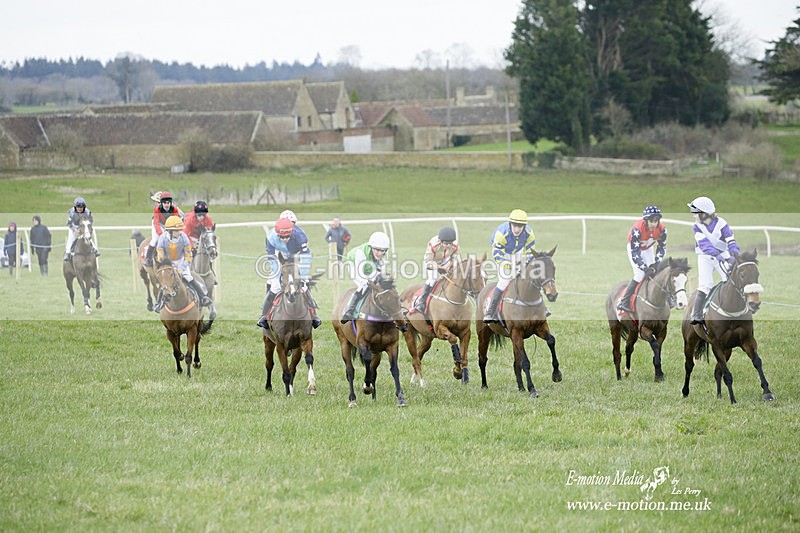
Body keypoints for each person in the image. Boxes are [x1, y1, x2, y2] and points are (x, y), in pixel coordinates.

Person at [256, 217, 321, 330]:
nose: (285, 239)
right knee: (275, 287)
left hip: (296, 258)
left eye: (287, 236)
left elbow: (306, 257)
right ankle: (264, 316)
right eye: (282, 237)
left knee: (304, 286)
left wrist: (303, 276)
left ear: (292, 232)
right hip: (278, 258)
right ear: (277, 234)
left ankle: (314, 316)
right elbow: (272, 259)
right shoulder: (270, 237)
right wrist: (277, 278)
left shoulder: (299, 235)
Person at [688, 196, 739, 325]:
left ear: (704, 214)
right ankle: (696, 314)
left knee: (731, 280)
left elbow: (730, 239)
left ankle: (739, 309)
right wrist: (716, 255)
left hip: (723, 254)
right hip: (705, 257)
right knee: (706, 285)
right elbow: (704, 245)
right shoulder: (697, 227)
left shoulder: (722, 223)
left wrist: (734, 253)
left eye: (695, 213)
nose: (694, 216)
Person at [483, 209, 537, 322]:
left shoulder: (529, 233)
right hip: (503, 254)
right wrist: (507, 265)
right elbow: (497, 254)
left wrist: (524, 264)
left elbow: (530, 252)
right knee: (504, 281)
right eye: (515, 226)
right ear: (510, 224)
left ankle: (542, 308)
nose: (517, 229)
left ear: (524, 226)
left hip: (518, 252)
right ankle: (490, 312)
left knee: (530, 278)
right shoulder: (501, 233)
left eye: (520, 227)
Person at [153, 216, 212, 311]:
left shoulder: (184, 237)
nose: (179, 232)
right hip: (168, 263)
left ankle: (203, 297)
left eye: (180, 229)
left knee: (189, 277)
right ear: (170, 231)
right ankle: (158, 303)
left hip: (181, 261)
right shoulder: (162, 238)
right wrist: (168, 266)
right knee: (166, 281)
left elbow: (188, 255)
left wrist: (181, 268)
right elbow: (160, 255)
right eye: (177, 230)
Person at [616, 205, 668, 313]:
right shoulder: (637, 230)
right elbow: (635, 253)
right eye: (651, 221)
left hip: (648, 249)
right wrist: (645, 268)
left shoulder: (662, 229)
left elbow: (662, 247)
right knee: (640, 275)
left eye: (656, 221)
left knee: (655, 272)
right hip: (635, 250)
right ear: (645, 220)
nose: (654, 224)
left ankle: (666, 298)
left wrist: (656, 263)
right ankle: (624, 302)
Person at [340, 231, 391, 324]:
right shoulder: (361, 253)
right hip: (355, 265)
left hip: (369, 267)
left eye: (383, 250)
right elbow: (361, 275)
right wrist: (368, 282)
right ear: (371, 247)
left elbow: (380, 272)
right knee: (363, 285)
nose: (380, 253)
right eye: (377, 250)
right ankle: (349, 310)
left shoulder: (384, 256)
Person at [414, 226, 459, 313]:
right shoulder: (434, 244)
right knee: (433, 278)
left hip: (445, 260)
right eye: (446, 243)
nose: (448, 246)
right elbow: (429, 263)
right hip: (432, 260)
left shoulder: (455, 245)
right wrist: (440, 268)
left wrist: (450, 266)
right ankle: (422, 301)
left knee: (454, 275)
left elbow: (454, 259)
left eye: (450, 243)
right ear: (441, 241)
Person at [143, 191, 183, 267]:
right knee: (155, 240)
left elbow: (176, 220)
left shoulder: (174, 209)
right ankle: (148, 258)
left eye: (168, 202)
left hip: (169, 225)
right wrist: (161, 234)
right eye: (164, 202)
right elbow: (156, 223)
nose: (167, 204)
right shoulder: (157, 210)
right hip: (158, 224)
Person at [64, 197, 99, 261]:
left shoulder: (87, 212)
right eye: (78, 207)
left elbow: (91, 220)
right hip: (74, 227)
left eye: (81, 207)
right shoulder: (71, 213)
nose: (80, 208)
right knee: (71, 239)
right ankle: (67, 253)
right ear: (75, 207)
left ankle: (95, 249)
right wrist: (75, 230)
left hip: (83, 226)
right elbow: (69, 224)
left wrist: (87, 227)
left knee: (88, 236)